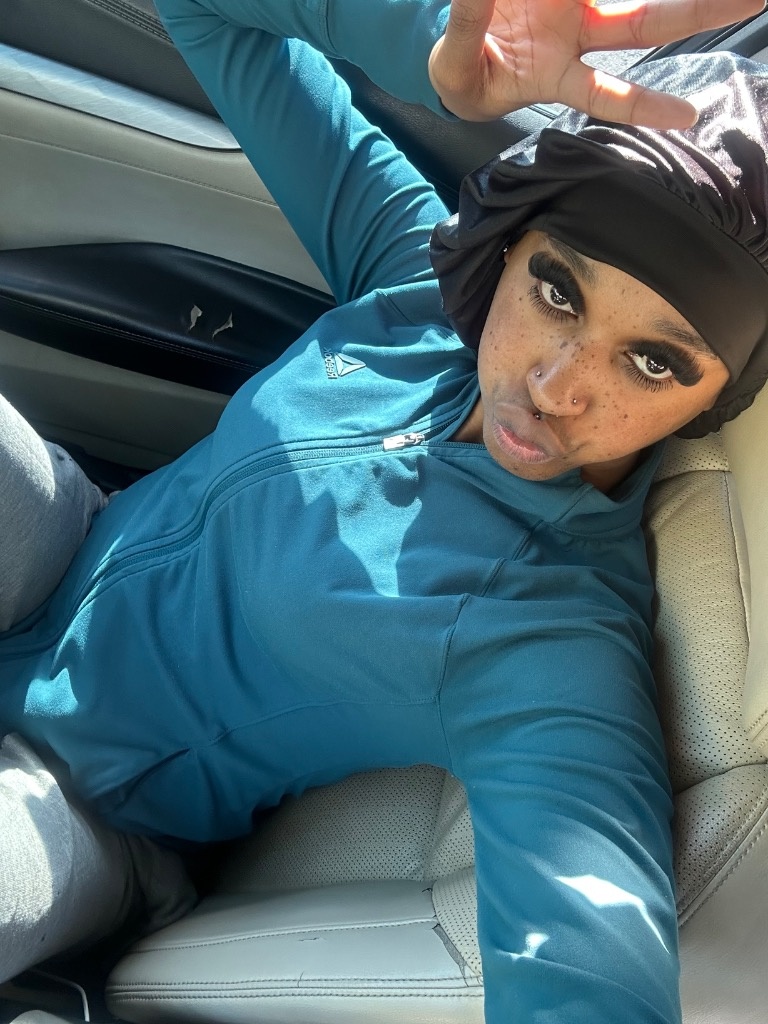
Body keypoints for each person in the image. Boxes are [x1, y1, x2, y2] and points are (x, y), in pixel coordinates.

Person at [1, 0, 767, 1019]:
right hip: (69, 544)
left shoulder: (541, 636)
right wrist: (432, 46)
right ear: (512, 247)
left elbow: (593, 978)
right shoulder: (420, 284)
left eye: (653, 362)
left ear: (713, 399)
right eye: (557, 290)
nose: (555, 385)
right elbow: (204, 15)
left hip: (92, 800)